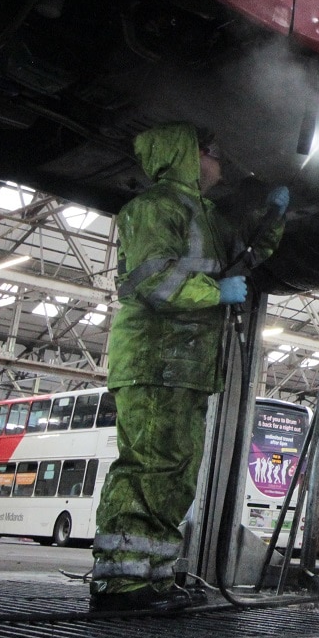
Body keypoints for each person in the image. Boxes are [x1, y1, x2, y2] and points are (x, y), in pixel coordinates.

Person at [90, 122, 288, 612]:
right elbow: (151, 279)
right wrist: (213, 292)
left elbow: (247, 254)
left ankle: (150, 578)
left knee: (175, 472)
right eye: (212, 152)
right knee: (150, 467)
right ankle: (122, 586)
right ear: (185, 154)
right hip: (154, 357)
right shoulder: (154, 207)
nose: (220, 162)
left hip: (187, 366)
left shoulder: (207, 215)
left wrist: (274, 217)